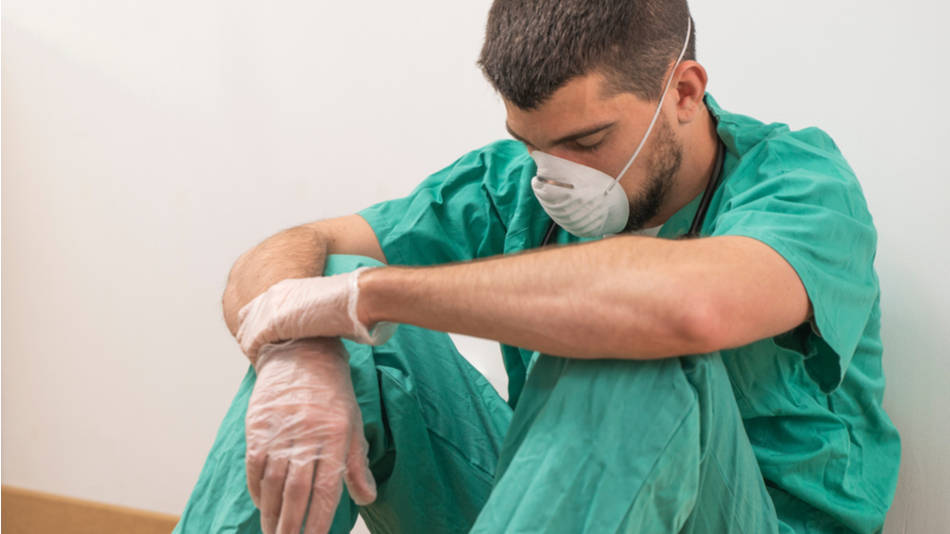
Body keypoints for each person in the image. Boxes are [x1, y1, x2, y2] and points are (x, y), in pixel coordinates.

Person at [173, 1, 900, 533]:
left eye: (587, 140)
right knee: (326, 296)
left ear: (683, 92)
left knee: (633, 342)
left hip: (742, 519)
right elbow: (287, 250)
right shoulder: (513, 184)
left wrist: (367, 295)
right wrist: (298, 347)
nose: (556, 177)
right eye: (534, 145)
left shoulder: (801, 184)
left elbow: (688, 309)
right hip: (562, 509)